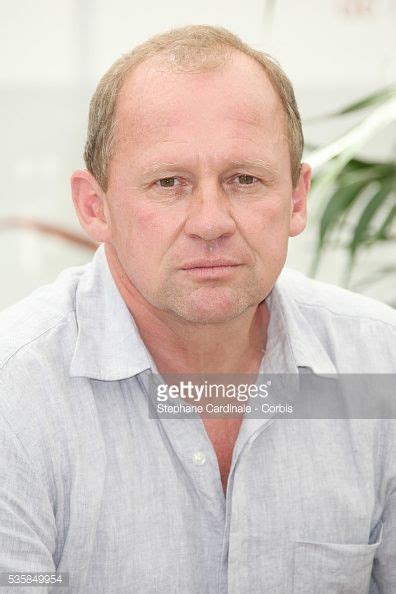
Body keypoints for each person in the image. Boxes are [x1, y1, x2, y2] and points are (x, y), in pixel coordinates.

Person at [0, 24, 395, 594]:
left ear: (296, 199)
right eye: (169, 182)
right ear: (95, 206)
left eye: (244, 179)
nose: (211, 222)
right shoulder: (16, 398)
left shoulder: (377, 366)